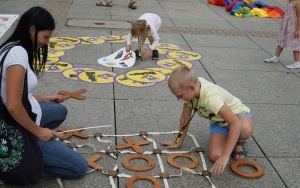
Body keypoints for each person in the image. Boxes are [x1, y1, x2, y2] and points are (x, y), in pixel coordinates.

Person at [0, 6, 88, 182]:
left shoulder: (11, 46)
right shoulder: (17, 55)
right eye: (45, 37)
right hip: (14, 128)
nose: (46, 42)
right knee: (79, 167)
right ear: (32, 29)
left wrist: (44, 98)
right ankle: (19, 160)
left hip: (21, 116)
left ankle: (36, 148)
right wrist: (38, 131)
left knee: (59, 110)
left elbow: (13, 94)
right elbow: (13, 104)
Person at [160, 66, 253, 176]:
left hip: (237, 116)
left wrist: (225, 156)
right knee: (215, 156)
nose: (178, 99)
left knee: (244, 129)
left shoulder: (211, 99)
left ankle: (238, 141)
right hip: (219, 121)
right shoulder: (191, 89)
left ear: (191, 87)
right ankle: (230, 138)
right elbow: (185, 118)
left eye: (180, 95)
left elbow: (235, 123)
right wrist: (178, 142)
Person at [265, 0, 300, 69]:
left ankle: (297, 63)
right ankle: (275, 57)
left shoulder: (297, 3)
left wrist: (297, 30)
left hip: (293, 27)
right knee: (281, 40)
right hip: (287, 26)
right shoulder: (290, 2)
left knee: (295, 43)